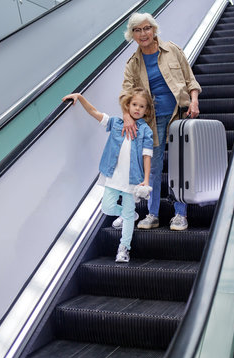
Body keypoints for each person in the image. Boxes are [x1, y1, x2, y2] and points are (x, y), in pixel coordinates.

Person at [112, 12, 201, 231]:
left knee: (180, 164)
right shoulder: (133, 63)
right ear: (132, 35)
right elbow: (125, 93)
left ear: (153, 30)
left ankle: (180, 214)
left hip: (179, 113)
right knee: (152, 167)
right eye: (137, 30)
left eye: (146, 28)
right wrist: (126, 116)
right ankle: (152, 214)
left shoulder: (172, 50)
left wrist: (194, 101)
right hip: (152, 120)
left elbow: (190, 79)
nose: (143, 34)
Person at [62, 88, 154, 262]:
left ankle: (124, 248)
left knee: (126, 215)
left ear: (146, 110)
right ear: (128, 105)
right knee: (107, 207)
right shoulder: (116, 123)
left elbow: (147, 156)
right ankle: (131, 215)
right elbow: (94, 112)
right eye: (134, 104)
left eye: (141, 106)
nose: (137, 109)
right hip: (113, 176)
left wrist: (146, 180)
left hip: (132, 180)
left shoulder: (145, 131)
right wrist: (80, 97)